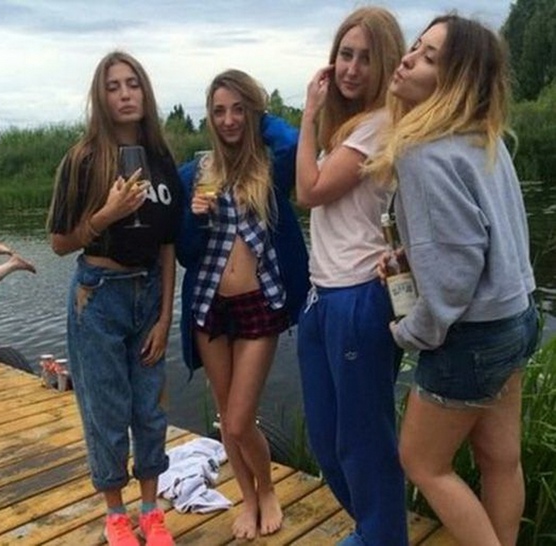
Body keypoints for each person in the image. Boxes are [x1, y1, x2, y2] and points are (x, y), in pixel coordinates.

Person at [366, 14, 539, 545]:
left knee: (422, 462)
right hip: (517, 316)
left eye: (429, 57)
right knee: (500, 460)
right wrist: (415, 257)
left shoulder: (422, 152)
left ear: (458, 78)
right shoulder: (483, 137)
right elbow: (486, 236)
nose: (407, 59)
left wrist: (410, 332)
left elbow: (454, 279)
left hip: (472, 336)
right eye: (416, 47)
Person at [47, 51, 181, 546]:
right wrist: (107, 214)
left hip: (148, 295)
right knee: (105, 411)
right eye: (113, 87)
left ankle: (151, 510)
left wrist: (165, 318)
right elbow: (59, 242)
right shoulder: (84, 159)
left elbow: (168, 246)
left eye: (132, 84)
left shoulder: (161, 159)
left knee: (149, 409)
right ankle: (116, 515)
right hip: (98, 296)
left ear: (145, 92)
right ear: (100, 98)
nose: (125, 94)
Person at [176, 69, 308, 540]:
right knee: (226, 416)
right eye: (219, 111)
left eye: (238, 110)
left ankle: (267, 489)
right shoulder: (195, 174)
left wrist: (261, 118)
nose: (229, 120)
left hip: (260, 304)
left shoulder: (270, 169)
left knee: (237, 418)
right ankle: (248, 499)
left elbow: (296, 143)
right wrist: (194, 219)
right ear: (209, 118)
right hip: (209, 307)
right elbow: (186, 253)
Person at [294, 7, 408, 546]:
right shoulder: (353, 126)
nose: (352, 68)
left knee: (364, 437)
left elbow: (310, 190)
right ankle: (374, 529)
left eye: (366, 58)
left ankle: (382, 534)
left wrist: (307, 115)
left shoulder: (381, 123)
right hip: (323, 294)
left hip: (360, 294)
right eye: (345, 54)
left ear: (386, 64)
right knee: (326, 438)